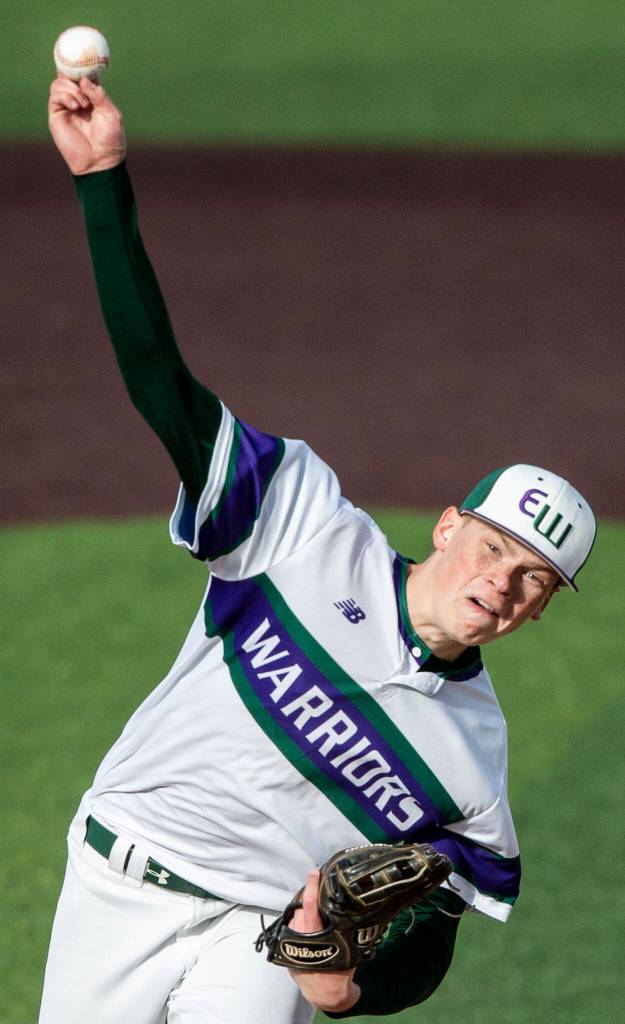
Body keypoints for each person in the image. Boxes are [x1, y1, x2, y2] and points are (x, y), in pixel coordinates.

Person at [42, 75, 596, 1024]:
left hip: (260, 940)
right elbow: (160, 381)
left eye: (531, 579)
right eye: (492, 547)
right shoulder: (299, 523)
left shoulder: (471, 762)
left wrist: (352, 989)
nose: (499, 583)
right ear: (448, 526)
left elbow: (435, 932)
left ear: (540, 608)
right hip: (118, 877)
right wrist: (102, 181)